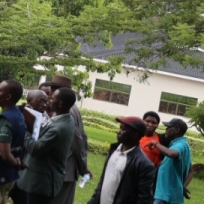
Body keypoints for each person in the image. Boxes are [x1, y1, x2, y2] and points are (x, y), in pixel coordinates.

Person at [17, 87, 78, 204]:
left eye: (52, 99)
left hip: (40, 183)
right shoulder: (65, 118)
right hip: (38, 181)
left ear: (60, 103)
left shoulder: (59, 128)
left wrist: (24, 127)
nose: (48, 101)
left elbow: (35, 149)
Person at [86, 116, 156, 204]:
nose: (118, 131)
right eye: (120, 128)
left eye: (123, 129)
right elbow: (103, 182)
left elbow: (144, 199)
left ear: (134, 134)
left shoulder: (144, 164)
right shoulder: (114, 150)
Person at [49, 76, 91, 204]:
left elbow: (78, 140)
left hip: (64, 169)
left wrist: (82, 167)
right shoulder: (71, 108)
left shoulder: (68, 112)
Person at [150, 118, 192, 204]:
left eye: (168, 127)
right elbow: (191, 170)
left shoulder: (180, 145)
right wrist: (182, 186)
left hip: (166, 195)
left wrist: (155, 143)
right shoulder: (181, 145)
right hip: (170, 194)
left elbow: (171, 153)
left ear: (176, 130)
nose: (166, 129)